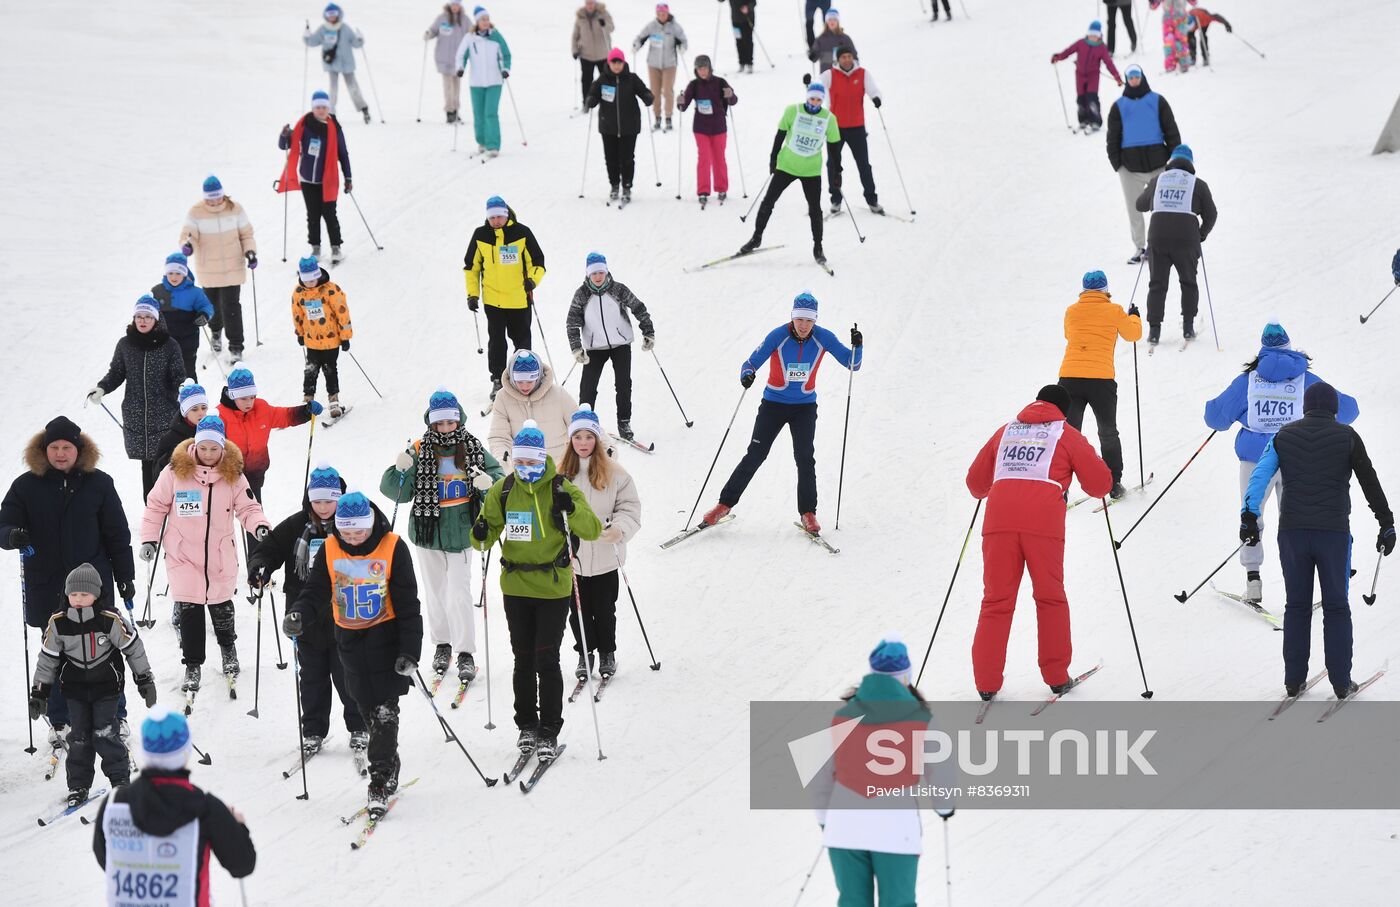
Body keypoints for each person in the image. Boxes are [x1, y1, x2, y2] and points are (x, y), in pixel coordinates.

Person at [1241, 382, 1393, 700]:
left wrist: (1249, 516)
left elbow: (1260, 476)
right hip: (1333, 534)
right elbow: (1369, 479)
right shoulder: (1347, 436)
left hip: (1293, 534)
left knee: (1296, 606)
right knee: (1336, 607)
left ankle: (1293, 680)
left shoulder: (1283, 436)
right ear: (1334, 409)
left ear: (1305, 408)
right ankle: (1340, 681)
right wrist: (1386, 522)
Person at [965, 385, 1112, 697]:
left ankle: (986, 683)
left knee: (995, 601)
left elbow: (975, 484)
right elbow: (1100, 485)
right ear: (1063, 409)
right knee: (1049, 597)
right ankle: (1056, 675)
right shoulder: (1065, 433)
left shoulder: (1006, 431)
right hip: (1042, 525)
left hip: (999, 523)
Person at [471, 420, 602, 761]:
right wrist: (481, 527)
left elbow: (591, 530)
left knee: (547, 658)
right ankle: (526, 725)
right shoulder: (503, 489)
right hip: (516, 586)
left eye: (531, 462)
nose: (525, 469)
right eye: (519, 462)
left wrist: (571, 508)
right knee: (523, 658)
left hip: (553, 587)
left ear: (543, 459)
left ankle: (549, 729)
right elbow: (481, 541)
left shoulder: (561, 488)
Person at [0, 416, 135, 741]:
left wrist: (125, 576)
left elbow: (117, 534)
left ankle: (116, 716)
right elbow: (3, 524)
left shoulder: (99, 483)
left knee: (103, 651)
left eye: (67, 447)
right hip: (47, 584)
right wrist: (12, 535)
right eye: (54, 447)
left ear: (79, 449)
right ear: (44, 450)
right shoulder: (25, 485)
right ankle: (60, 720)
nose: (60, 453)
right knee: (56, 651)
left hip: (93, 587)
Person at [291, 490, 423, 816]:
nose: (351, 538)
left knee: (384, 712)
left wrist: (410, 651)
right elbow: (316, 590)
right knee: (365, 707)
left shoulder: (393, 547)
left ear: (370, 525)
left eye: (358, 532)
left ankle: (378, 779)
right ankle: (389, 759)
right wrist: (299, 614)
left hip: (387, 640)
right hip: (348, 641)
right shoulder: (332, 548)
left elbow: (409, 605)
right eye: (346, 531)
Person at [1205, 322, 1359, 602]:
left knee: (1252, 515)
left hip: (1254, 460)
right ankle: (1300, 585)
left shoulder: (1249, 380)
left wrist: (1242, 414)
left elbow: (1215, 418)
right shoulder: (1306, 380)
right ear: (1290, 349)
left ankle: (1253, 582)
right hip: (1297, 459)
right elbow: (1348, 411)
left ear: (1262, 350)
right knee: (1297, 521)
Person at [700, 294, 862, 533]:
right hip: (773, 405)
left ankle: (808, 512)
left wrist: (858, 346)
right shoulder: (778, 335)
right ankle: (724, 505)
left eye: (808, 320)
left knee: (805, 458)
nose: (804, 325)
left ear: (815, 320)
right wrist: (747, 374)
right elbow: (750, 362)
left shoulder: (823, 338)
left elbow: (852, 364)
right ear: (792, 317)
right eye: (799, 319)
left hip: (804, 408)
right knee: (755, 454)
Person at [379, 389, 504, 685]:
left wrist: (488, 483)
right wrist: (399, 470)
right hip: (428, 531)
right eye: (440, 424)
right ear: (432, 423)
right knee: (435, 593)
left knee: (459, 593)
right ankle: (442, 644)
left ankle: (465, 652)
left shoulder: (471, 446)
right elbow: (394, 491)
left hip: (462, 531)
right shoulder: (420, 449)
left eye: (450, 422)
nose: (446, 428)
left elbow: (500, 481)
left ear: (458, 420)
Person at [139, 415, 271, 695]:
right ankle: (193, 664)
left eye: (214, 448)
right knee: (190, 612)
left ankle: (228, 649)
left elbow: (248, 507)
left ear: (222, 448)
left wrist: (259, 526)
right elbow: (155, 506)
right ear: (195, 445)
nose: (208, 454)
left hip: (220, 554)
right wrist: (150, 539)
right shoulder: (175, 472)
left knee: (222, 608)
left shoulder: (233, 475)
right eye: (203, 448)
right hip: (182, 554)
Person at [808, 636, 940, 907]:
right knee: (899, 902)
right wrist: (945, 806)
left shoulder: (842, 717)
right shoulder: (922, 720)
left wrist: (825, 819)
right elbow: (941, 774)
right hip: (895, 828)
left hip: (844, 826)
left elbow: (820, 778)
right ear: (906, 678)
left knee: (853, 901)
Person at [249, 464, 367, 756]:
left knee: (348, 676)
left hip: (345, 615)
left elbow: (376, 544)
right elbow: (269, 549)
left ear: (339, 498)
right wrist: (259, 567)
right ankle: (313, 731)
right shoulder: (297, 525)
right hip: (305, 616)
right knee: (311, 678)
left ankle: (360, 726)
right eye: (318, 501)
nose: (324, 507)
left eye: (329, 501)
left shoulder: (351, 525)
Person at [92, 708, 257, 900]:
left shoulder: (113, 804)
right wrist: (238, 826)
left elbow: (107, 860)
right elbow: (242, 865)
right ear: (186, 752)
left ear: (145, 752)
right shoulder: (206, 808)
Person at [31, 564, 155, 805]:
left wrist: (144, 680)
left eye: (84, 595)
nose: (78, 600)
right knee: (78, 738)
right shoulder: (58, 623)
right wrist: (39, 693)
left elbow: (133, 648)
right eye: (73, 595)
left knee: (105, 733)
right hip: (75, 691)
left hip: (106, 689)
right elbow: (47, 659)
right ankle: (78, 786)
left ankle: (120, 780)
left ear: (96, 594)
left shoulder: (109, 619)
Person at [557, 407, 640, 681]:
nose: (583, 443)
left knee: (605, 609)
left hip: (605, 555)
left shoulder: (616, 473)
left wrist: (619, 529)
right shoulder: (560, 476)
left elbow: (629, 508)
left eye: (588, 437)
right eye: (577, 437)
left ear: (597, 439)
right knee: (578, 610)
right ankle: (584, 653)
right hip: (575, 559)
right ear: (570, 440)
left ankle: (607, 652)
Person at [87, 295, 187, 498]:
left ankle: (173, 513)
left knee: (168, 465)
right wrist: (102, 388)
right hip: (137, 416)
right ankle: (152, 513)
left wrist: (184, 387)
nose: (142, 320)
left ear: (156, 319)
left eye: (147, 317)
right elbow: (116, 372)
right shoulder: (125, 345)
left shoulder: (170, 346)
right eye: (138, 316)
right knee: (147, 467)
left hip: (165, 415)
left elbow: (178, 375)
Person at [1058, 270, 1142, 499]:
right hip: (1101, 380)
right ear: (1105, 289)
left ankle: (1060, 489)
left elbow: (1069, 335)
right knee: (1107, 432)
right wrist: (1134, 316)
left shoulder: (1071, 311)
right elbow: (1133, 334)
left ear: (1083, 289)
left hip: (1069, 379)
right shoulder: (1113, 310)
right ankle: (1114, 483)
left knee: (1067, 434)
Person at [738, 82, 841, 266]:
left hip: (811, 170)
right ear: (807, 97)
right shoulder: (793, 111)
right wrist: (773, 159)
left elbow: (834, 149)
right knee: (768, 201)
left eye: (819, 99)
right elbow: (779, 135)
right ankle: (756, 237)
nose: (815, 102)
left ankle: (818, 247)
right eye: (812, 98)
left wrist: (837, 171)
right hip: (787, 165)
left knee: (815, 209)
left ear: (822, 100)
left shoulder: (829, 119)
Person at [565, 252, 656, 442]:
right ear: (588, 274)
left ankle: (624, 422)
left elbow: (639, 308)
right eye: (594, 273)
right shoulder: (581, 294)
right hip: (594, 348)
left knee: (623, 385)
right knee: (588, 387)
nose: (598, 277)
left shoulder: (618, 289)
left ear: (606, 272)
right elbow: (572, 322)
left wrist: (648, 332)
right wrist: (576, 348)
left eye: (601, 272)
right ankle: (584, 422)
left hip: (620, 344)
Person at [1134, 143, 1217, 344]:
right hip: (1187, 238)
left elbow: (1140, 205)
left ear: (1171, 162)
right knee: (1188, 282)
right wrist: (1201, 234)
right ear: (1190, 164)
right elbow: (1211, 214)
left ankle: (1154, 330)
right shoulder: (1198, 184)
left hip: (1158, 236)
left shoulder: (1158, 180)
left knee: (1157, 284)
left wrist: (1152, 191)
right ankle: (1188, 327)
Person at [464, 196, 547, 393]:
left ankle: (527, 377)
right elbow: (471, 268)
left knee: (522, 342)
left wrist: (533, 280)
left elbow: (538, 262)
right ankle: (498, 379)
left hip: (519, 299)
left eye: (499, 217)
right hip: (493, 301)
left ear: (506, 215)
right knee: (497, 343)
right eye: (492, 218)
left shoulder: (522, 233)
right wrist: (472, 294)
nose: (496, 221)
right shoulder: (480, 235)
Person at [1106, 64, 1181, 264]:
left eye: (1136, 76)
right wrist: (1118, 165)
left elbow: (1171, 130)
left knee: (1164, 206)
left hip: (1158, 164)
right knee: (1134, 208)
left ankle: (1165, 245)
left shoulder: (1157, 101)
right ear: (1126, 79)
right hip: (1130, 168)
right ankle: (1140, 247)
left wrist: (1175, 158)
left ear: (1142, 77)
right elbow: (1112, 138)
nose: (1133, 80)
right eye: (1130, 77)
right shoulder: (1119, 106)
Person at [178, 175, 257, 359]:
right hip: (208, 269)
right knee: (212, 306)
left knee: (231, 306)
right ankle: (215, 333)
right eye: (210, 198)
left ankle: (236, 345)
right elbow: (187, 234)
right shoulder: (196, 212)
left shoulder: (235, 209)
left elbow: (246, 234)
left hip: (232, 267)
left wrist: (250, 252)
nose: (213, 201)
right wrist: (187, 245)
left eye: (216, 197)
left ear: (223, 195)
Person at [217, 364, 319, 504]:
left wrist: (305, 411)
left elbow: (284, 416)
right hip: (227, 475)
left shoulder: (262, 408)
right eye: (244, 398)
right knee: (224, 512)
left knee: (254, 510)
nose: (249, 402)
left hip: (255, 473)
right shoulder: (220, 416)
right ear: (232, 396)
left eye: (252, 397)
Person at [278, 91, 353, 263]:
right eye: (318, 107)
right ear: (313, 108)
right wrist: (284, 135)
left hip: (329, 180)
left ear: (328, 108)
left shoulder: (334, 127)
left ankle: (336, 247)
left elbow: (343, 153)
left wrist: (348, 177)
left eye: (324, 107)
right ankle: (316, 248)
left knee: (329, 214)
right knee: (312, 215)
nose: (321, 110)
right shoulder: (304, 124)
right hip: (307, 180)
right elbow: (285, 145)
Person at [584, 48, 655, 204]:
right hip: (608, 127)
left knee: (627, 159)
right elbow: (593, 94)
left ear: (623, 63)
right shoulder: (602, 80)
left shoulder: (632, 78)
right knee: (611, 159)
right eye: (613, 62)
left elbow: (644, 91)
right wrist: (590, 100)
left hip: (629, 126)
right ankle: (615, 185)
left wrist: (648, 97)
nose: (616, 66)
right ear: (609, 63)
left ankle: (627, 186)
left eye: (619, 62)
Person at [822, 46, 886, 214]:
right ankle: (836, 200)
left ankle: (872, 200)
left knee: (864, 164)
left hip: (857, 127)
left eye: (849, 56)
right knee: (833, 164)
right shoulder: (829, 75)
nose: (847, 59)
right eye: (843, 57)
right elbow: (817, 90)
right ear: (838, 59)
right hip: (835, 128)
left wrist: (876, 98)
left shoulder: (862, 74)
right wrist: (808, 86)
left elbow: (873, 89)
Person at [489, 351, 578, 464]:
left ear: (538, 376)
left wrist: (606, 448)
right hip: (524, 470)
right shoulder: (503, 397)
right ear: (512, 377)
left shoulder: (558, 394)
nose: (525, 386)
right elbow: (499, 437)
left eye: (530, 381)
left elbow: (581, 425)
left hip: (559, 465)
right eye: (519, 381)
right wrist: (504, 460)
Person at [292, 254, 352, 421]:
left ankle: (333, 400)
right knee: (310, 370)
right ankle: (308, 400)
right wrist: (300, 333)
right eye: (306, 280)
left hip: (331, 340)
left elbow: (342, 312)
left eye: (313, 279)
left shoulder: (331, 290)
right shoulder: (299, 293)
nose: (310, 283)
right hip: (312, 341)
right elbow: (297, 314)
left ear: (318, 275)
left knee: (330, 369)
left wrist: (345, 337)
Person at [676, 54, 738, 206]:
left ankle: (721, 188)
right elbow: (683, 107)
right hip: (701, 128)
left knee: (719, 158)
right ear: (696, 70)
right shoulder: (694, 85)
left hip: (718, 127)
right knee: (704, 158)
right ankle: (703, 190)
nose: (702, 72)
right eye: (699, 69)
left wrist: (730, 95)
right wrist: (680, 101)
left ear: (710, 68)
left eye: (704, 68)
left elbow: (733, 101)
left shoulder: (720, 82)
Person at [454, 6, 511, 158]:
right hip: (476, 82)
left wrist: (505, 69)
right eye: (482, 19)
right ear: (477, 21)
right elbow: (461, 55)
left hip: (495, 81)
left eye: (487, 19)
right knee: (478, 114)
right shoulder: (470, 38)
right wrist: (460, 68)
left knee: (490, 113)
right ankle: (482, 142)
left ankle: (493, 145)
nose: (486, 22)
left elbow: (506, 54)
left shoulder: (496, 36)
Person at [1051, 21, 1123, 134]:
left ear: (1099, 36)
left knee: (1091, 98)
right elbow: (1069, 51)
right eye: (1091, 34)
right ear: (1088, 33)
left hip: (1093, 76)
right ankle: (1083, 120)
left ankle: (1096, 121)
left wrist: (1117, 77)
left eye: (1095, 35)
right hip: (1079, 74)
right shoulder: (1081, 43)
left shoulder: (1102, 48)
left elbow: (1109, 63)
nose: (1093, 37)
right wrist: (1058, 57)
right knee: (1081, 98)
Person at [151, 252, 214, 378]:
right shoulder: (158, 291)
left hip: (188, 339)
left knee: (187, 372)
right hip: (164, 340)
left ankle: (192, 395)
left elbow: (207, 306)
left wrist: (203, 315)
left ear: (185, 273)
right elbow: (149, 310)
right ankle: (167, 397)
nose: (174, 277)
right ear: (166, 273)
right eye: (170, 273)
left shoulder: (195, 292)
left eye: (178, 273)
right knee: (165, 373)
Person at [304, 2, 370, 122]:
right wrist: (307, 37)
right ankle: (330, 113)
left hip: (347, 64)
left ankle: (364, 109)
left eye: (334, 13)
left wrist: (360, 38)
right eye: (329, 14)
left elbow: (356, 44)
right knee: (333, 90)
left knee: (353, 88)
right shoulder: (323, 29)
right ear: (326, 15)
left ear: (339, 14)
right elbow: (312, 42)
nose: (332, 16)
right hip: (332, 64)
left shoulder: (345, 28)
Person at [633, 2, 687, 131]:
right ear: (656, 14)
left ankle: (668, 118)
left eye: (664, 13)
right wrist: (636, 45)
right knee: (654, 92)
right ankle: (657, 117)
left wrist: (682, 47)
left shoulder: (674, 27)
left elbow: (684, 40)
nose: (662, 15)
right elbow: (640, 37)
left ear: (667, 13)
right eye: (659, 13)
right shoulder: (652, 26)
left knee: (667, 91)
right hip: (653, 64)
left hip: (670, 64)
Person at [425, 1, 469, 123]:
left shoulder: (464, 20)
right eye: (453, 4)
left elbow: (471, 33)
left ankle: (455, 110)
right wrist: (428, 34)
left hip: (458, 60)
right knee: (448, 87)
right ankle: (449, 111)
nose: (455, 7)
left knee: (456, 87)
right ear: (450, 5)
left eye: (457, 5)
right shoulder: (442, 18)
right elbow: (433, 30)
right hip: (443, 58)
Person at [155, 379, 211, 474]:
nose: (201, 413)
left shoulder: (214, 432)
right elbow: (157, 474)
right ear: (185, 412)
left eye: (204, 408)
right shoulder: (169, 439)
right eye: (194, 409)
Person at [572, 0, 615, 108]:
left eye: (591, 3)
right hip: (586, 55)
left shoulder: (603, 13)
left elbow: (611, 28)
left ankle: (608, 103)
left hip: (603, 54)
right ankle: (586, 103)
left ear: (595, 3)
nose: (589, 5)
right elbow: (575, 36)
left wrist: (604, 24)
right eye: (587, 3)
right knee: (586, 80)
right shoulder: (580, 17)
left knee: (606, 79)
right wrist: (575, 50)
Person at [1150, 0, 1194, 74]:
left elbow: (1193, 2)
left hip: (1181, 20)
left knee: (1181, 42)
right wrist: (1152, 2)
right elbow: (1154, 6)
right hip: (1168, 21)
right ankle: (1170, 65)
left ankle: (1184, 64)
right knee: (1168, 43)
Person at [809, 8, 855, 74]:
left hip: (843, 75)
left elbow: (854, 57)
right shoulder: (820, 39)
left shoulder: (845, 39)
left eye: (834, 19)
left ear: (838, 21)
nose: (832, 22)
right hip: (826, 77)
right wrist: (812, 54)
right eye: (830, 19)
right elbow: (814, 58)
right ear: (826, 21)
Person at [723, 0, 756, 73]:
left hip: (747, 19)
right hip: (735, 20)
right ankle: (742, 63)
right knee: (739, 41)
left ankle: (749, 63)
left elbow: (753, 2)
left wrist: (747, 7)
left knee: (747, 41)